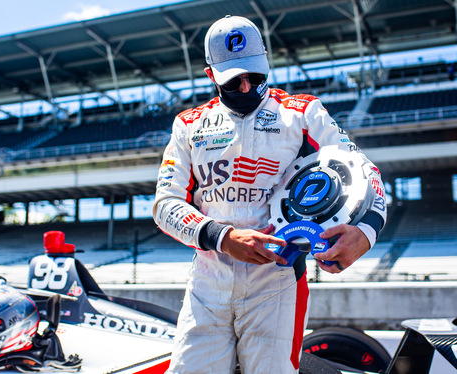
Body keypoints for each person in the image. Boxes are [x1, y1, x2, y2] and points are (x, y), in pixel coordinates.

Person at [153, 15, 387, 374]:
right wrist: (223, 238)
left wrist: (366, 234)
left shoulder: (302, 113)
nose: (247, 88)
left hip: (276, 284)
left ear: (266, 61)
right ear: (210, 74)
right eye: (234, 80)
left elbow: (366, 172)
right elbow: (164, 205)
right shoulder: (188, 125)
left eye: (256, 75)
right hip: (207, 283)